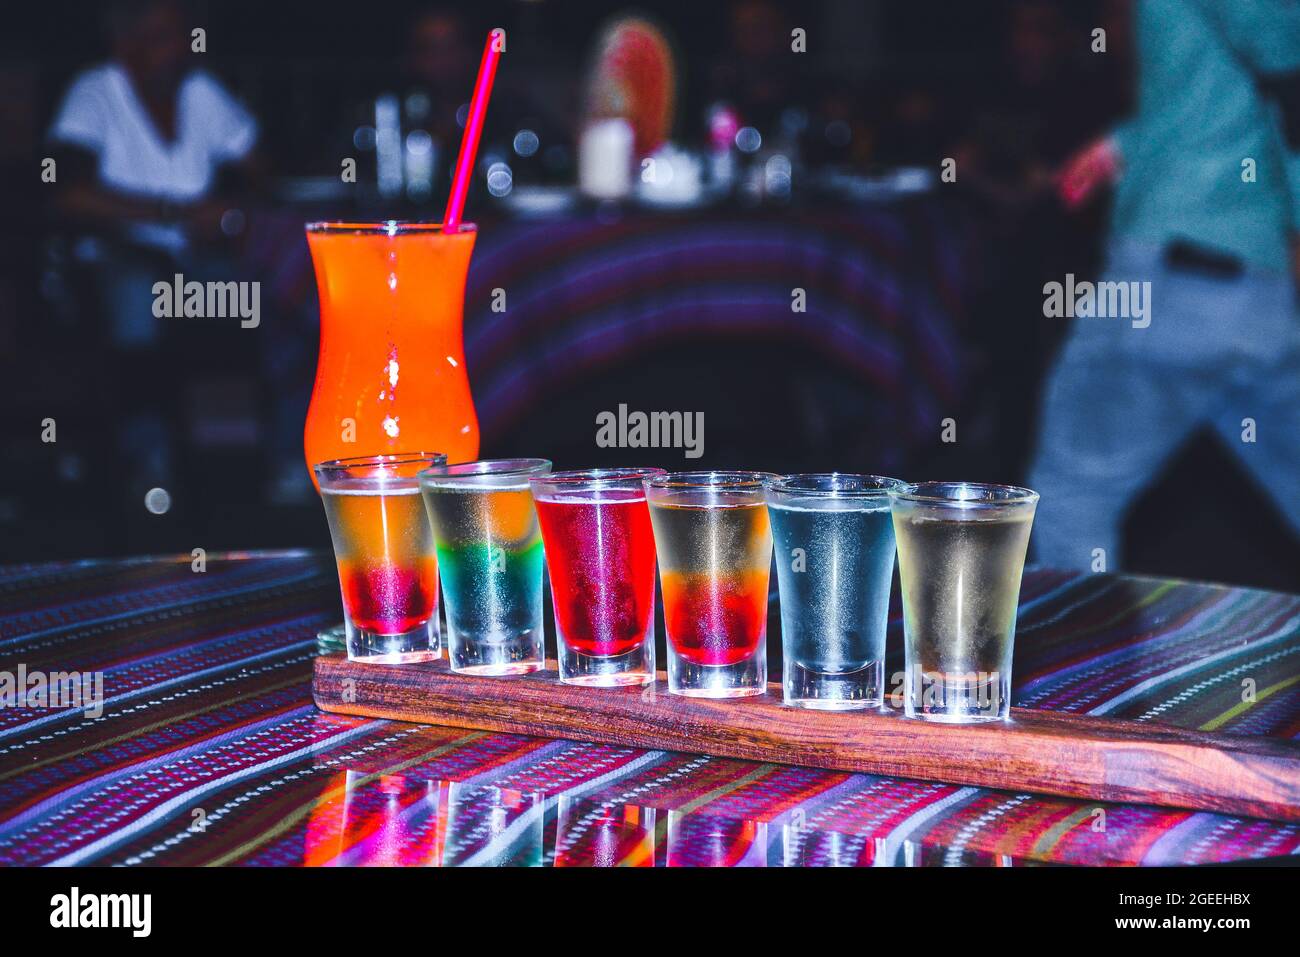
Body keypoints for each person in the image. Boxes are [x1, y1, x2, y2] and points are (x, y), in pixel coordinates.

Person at [1029, 0, 1300, 572]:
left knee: (1072, 498)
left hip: (1170, 284)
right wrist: (1116, 150)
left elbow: (1279, 50)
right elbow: (1235, 100)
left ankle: (1086, 659)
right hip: (1259, 289)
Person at [46, 0, 263, 501]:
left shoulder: (200, 91)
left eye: (184, 36)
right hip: (114, 256)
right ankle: (149, 455)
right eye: (163, 37)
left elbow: (260, 168)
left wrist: (230, 207)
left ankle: (250, 464)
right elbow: (66, 192)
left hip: (202, 259)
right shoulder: (95, 92)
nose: (180, 49)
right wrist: (171, 213)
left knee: (262, 290)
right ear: (127, 45)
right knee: (141, 293)